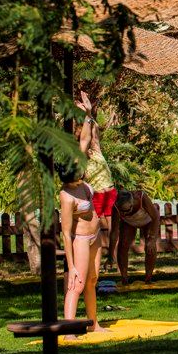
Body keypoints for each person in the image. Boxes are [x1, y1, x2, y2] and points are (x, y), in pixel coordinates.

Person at [58, 160, 108, 338]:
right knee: (76, 284)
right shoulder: (66, 196)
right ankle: (68, 331)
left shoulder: (83, 184)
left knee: (92, 280)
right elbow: (65, 234)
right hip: (80, 239)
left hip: (95, 235)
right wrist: (71, 266)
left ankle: (93, 324)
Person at [77, 91, 116, 262]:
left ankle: (112, 257)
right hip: (97, 195)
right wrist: (86, 114)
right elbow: (85, 138)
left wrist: (89, 113)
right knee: (95, 229)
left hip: (110, 192)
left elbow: (94, 131)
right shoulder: (80, 157)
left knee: (114, 228)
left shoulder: (97, 150)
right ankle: (93, 258)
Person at [109, 188, 160, 284]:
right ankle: (124, 279)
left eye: (127, 210)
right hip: (129, 223)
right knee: (123, 245)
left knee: (150, 247)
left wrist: (152, 239)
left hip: (148, 220)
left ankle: (148, 278)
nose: (124, 213)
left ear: (132, 203)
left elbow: (155, 217)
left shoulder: (141, 197)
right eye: (122, 211)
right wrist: (110, 255)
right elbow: (114, 232)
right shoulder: (115, 207)